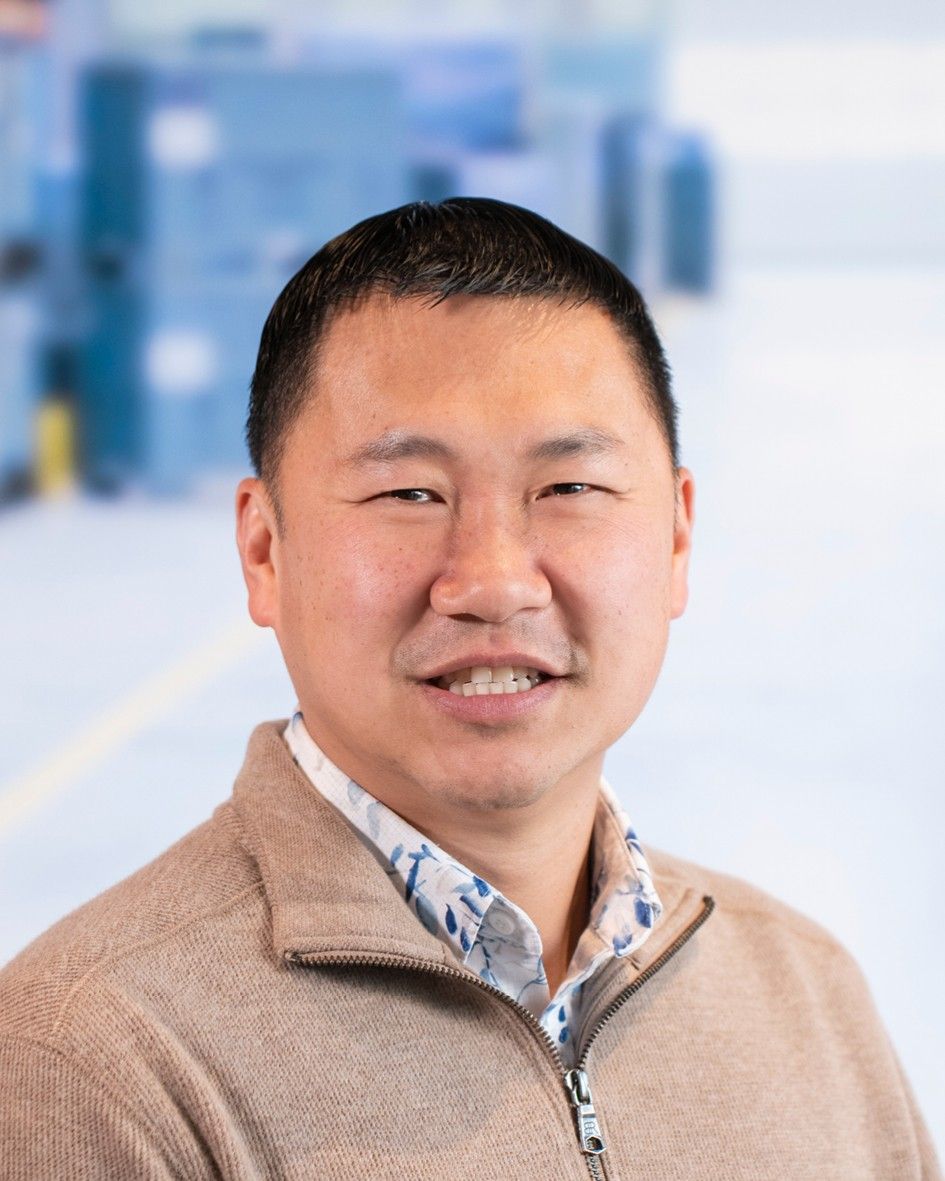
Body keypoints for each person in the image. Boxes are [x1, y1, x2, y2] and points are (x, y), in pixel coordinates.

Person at [0, 198, 939, 1181]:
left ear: (674, 537)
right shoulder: (98, 1065)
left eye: (569, 489)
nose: (494, 579)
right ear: (264, 548)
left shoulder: (809, 996)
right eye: (409, 493)